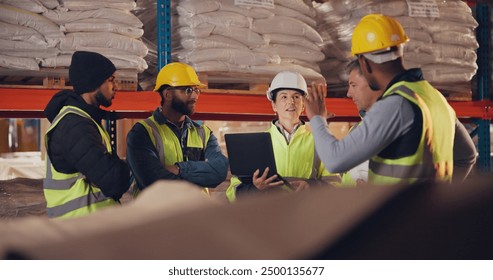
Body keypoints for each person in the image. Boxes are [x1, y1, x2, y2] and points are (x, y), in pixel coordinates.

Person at [304, 14, 477, 185]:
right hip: (429, 212)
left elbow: (335, 160)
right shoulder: (435, 98)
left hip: (398, 213)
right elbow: (467, 157)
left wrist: (317, 118)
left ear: (364, 63)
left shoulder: (395, 105)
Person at [226, 71, 340, 202]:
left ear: (303, 105)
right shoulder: (255, 144)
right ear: (274, 105)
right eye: (284, 97)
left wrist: (311, 186)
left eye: (296, 97)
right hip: (270, 216)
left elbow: (335, 184)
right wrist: (255, 189)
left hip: (305, 215)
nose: (291, 102)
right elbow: (232, 192)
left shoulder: (319, 141)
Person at [43, 51, 131, 219]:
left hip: (87, 228)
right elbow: (115, 181)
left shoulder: (84, 120)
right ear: (94, 83)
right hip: (79, 230)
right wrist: (127, 166)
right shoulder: (75, 126)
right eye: (111, 80)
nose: (116, 87)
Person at [126, 62, 228, 193]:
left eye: (196, 90)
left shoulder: (203, 133)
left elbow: (220, 170)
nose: (194, 96)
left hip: (198, 212)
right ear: (167, 94)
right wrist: (200, 176)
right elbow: (153, 181)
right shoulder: (142, 132)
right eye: (187, 90)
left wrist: (180, 169)